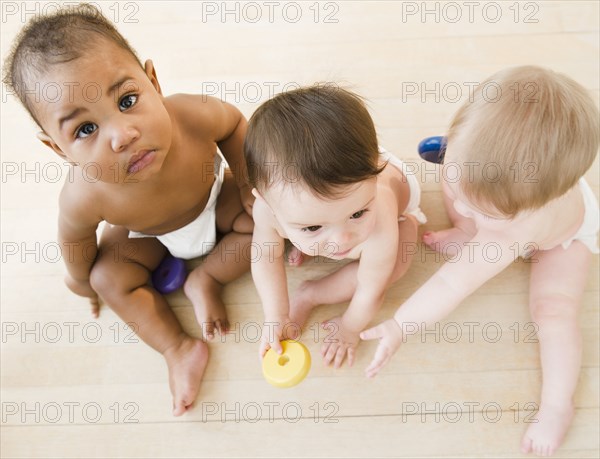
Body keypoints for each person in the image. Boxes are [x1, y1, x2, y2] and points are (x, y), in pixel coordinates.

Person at [2, 4, 254, 416]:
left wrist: (246, 181)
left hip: (212, 199)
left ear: (153, 81)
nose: (122, 135)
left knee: (263, 221)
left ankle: (206, 280)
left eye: (127, 99)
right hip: (146, 233)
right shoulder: (83, 194)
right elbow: (75, 237)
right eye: (85, 130)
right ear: (59, 150)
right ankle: (177, 348)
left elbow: (234, 125)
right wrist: (82, 279)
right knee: (108, 277)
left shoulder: (192, 114)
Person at [360, 66, 599, 456]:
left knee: (554, 311)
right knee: (464, 191)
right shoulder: (476, 168)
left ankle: (558, 405)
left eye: (482, 211)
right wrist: (467, 194)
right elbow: (473, 189)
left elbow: (450, 284)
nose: (463, 204)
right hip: (496, 194)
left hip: (561, 237)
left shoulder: (514, 229)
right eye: (454, 164)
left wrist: (401, 324)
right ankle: (471, 217)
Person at [244, 84, 426, 368]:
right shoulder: (269, 209)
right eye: (313, 227)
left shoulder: (380, 210)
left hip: (396, 203)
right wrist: (275, 315)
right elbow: (265, 255)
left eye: (357, 214)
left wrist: (350, 328)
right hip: (337, 194)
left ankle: (311, 292)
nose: (342, 241)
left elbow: (370, 290)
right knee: (314, 221)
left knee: (394, 266)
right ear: (265, 202)